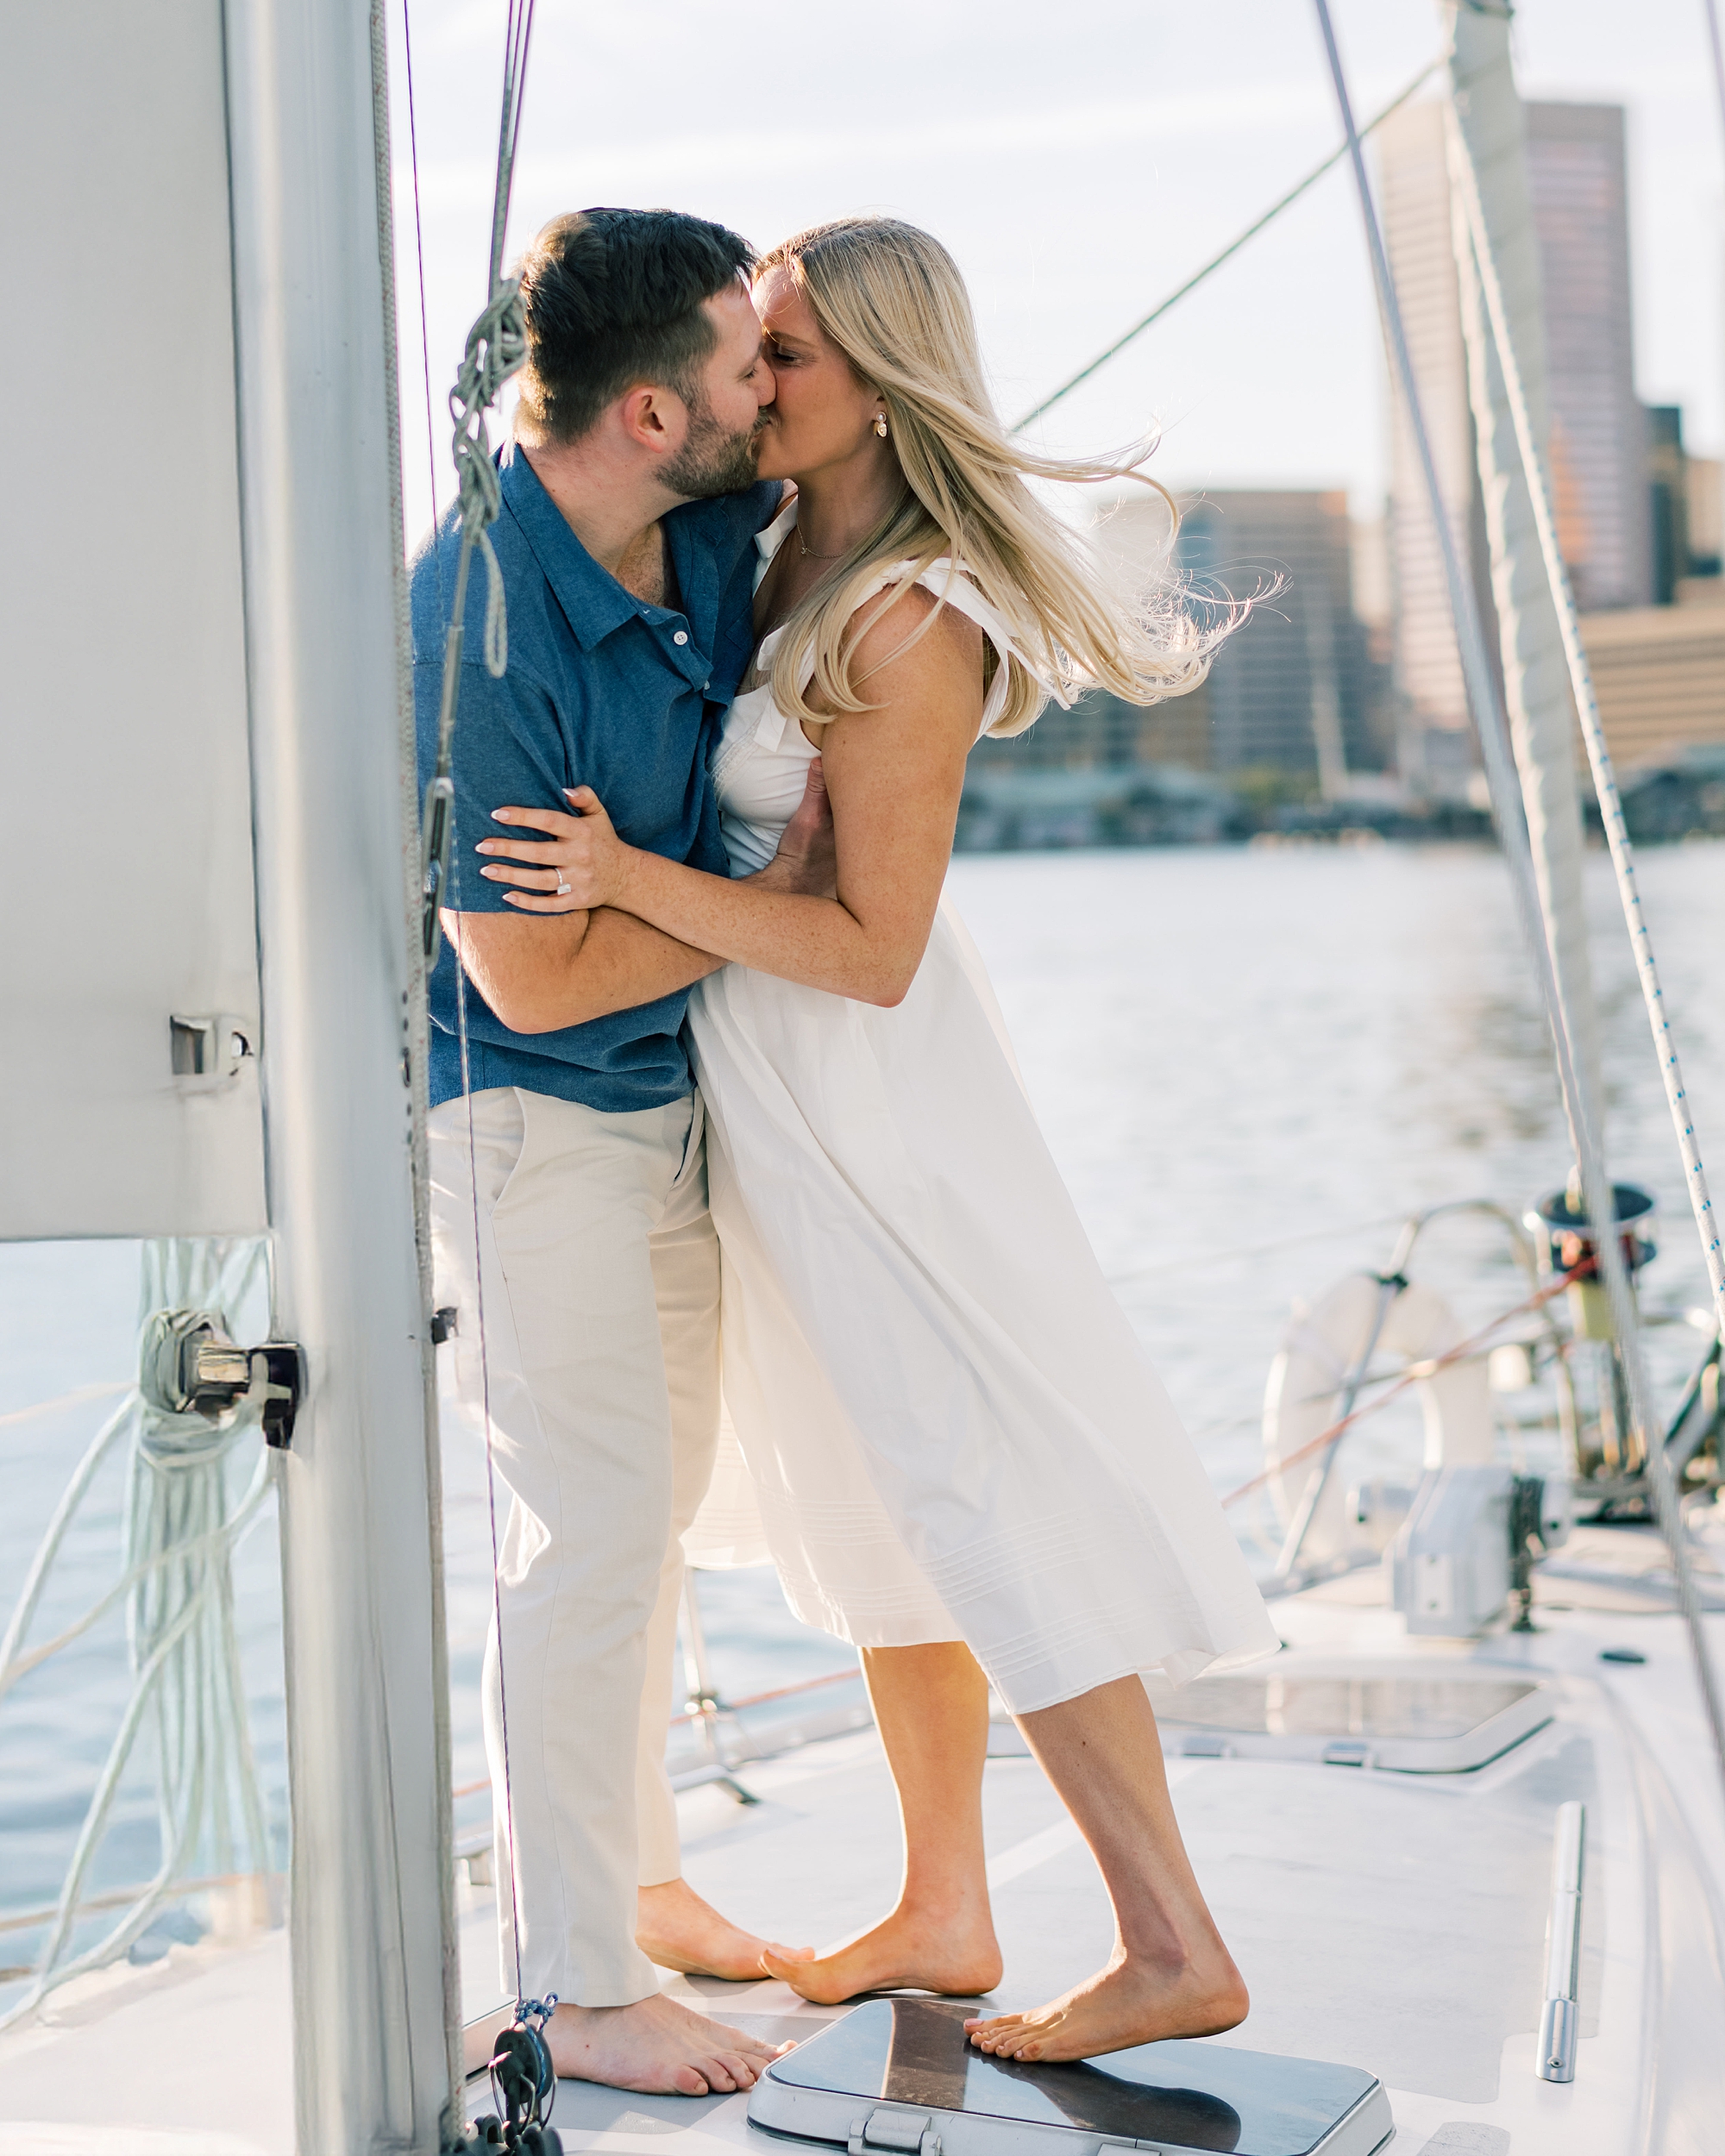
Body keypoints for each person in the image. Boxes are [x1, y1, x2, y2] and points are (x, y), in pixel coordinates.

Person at [475, 214, 1282, 2068]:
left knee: (976, 1499)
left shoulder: (904, 612)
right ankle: (944, 1897)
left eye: (790, 357)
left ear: (874, 384)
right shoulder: (769, 553)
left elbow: (870, 943)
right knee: (878, 1499)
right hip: (772, 1101)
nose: (756, 381)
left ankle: (1171, 1937)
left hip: (875, 1113)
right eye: (752, 346)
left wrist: (626, 879)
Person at [417, 205, 829, 2098]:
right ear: (655, 410)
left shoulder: (713, 527)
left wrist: (661, 896)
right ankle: (574, 1987)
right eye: (752, 363)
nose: (778, 387)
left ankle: (640, 1878)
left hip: (664, 1107)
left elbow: (617, 931)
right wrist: (763, 900)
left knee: (638, 1527)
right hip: (517, 1128)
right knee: (583, 1534)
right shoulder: (474, 628)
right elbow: (534, 967)